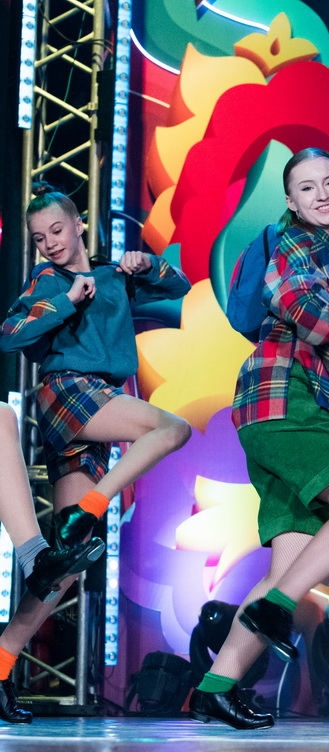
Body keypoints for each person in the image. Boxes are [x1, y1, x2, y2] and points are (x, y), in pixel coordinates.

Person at [187, 147, 329, 730]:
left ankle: (214, 687)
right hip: (284, 401)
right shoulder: (294, 242)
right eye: (307, 188)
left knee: (288, 566)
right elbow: (301, 311)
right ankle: (277, 611)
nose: (322, 194)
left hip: (290, 405)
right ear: (291, 200)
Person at [0, 183, 192, 723]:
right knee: (172, 428)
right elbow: (10, 334)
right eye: (40, 237)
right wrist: (66, 300)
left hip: (99, 405)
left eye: (57, 230)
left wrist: (147, 264)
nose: (50, 243)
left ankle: (0, 663)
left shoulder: (112, 275)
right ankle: (91, 507)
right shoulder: (46, 281)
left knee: (61, 565)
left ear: (79, 224)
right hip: (69, 392)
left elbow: (179, 288)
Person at [0, 403, 104, 724]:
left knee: (2, 416)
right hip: (74, 397)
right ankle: (38, 558)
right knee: (172, 429)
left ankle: (38, 559)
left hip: (92, 409)